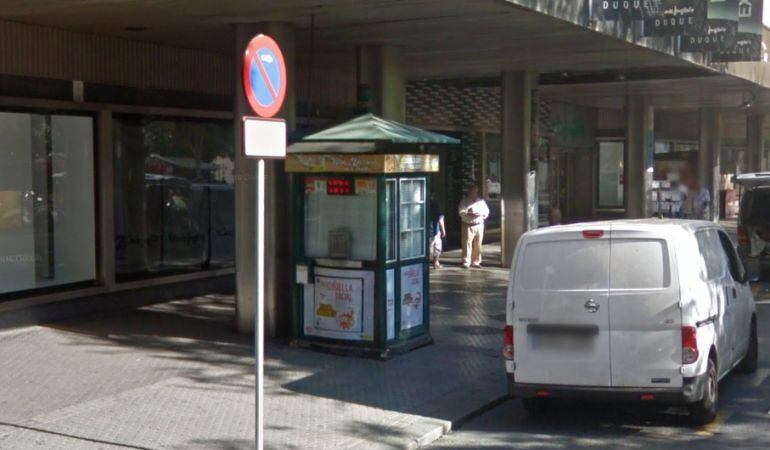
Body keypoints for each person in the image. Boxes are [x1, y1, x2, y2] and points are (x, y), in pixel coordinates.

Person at [458, 185, 489, 268]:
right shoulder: (464, 201)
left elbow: (486, 212)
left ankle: (476, 262)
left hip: (479, 224)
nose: (473, 193)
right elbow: (461, 212)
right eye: (471, 192)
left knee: (478, 244)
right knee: (467, 244)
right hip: (468, 225)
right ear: (468, 192)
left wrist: (481, 214)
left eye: (474, 192)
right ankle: (466, 262)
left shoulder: (481, 201)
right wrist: (468, 213)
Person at [429, 193, 446, 269]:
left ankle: (431, 262)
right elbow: (440, 218)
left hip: (424, 230)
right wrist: (443, 230)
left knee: (430, 246)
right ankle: (436, 262)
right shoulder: (435, 204)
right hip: (434, 229)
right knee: (436, 246)